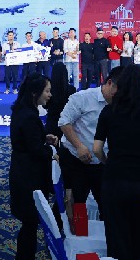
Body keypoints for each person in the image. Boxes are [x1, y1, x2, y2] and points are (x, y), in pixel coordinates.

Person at [93, 65, 140, 260]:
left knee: (117, 237)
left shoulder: (109, 112)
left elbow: (97, 149)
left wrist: (108, 162)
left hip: (114, 179)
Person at [58, 66, 123, 221]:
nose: (121, 96)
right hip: (77, 160)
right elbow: (64, 122)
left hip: (103, 162)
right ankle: (77, 234)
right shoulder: (83, 98)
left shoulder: (120, 104)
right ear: (109, 83)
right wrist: (79, 146)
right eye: (119, 91)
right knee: (78, 205)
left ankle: (106, 233)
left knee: (107, 203)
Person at [9, 74, 58, 260]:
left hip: (22, 170)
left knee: (29, 224)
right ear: (34, 92)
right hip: (29, 176)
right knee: (30, 224)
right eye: (47, 91)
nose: (50, 95)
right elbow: (35, 150)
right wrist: (52, 151)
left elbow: (27, 140)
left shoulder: (22, 110)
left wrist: (43, 138)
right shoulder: (29, 116)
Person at [45, 62, 76, 137]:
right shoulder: (72, 89)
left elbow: (45, 105)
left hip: (52, 124)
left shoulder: (49, 90)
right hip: (67, 125)